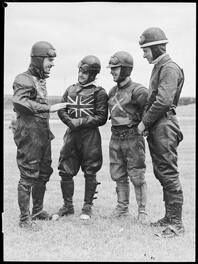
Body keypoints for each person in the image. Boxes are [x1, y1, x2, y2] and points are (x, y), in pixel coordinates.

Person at [12, 41, 67, 229]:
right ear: (38, 60)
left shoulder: (41, 80)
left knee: (44, 173)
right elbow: (19, 102)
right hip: (29, 136)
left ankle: (37, 210)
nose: (52, 64)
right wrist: (49, 108)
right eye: (49, 60)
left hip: (43, 135)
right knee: (28, 176)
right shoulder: (23, 79)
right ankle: (24, 219)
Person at [138, 27, 185, 237]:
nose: (144, 54)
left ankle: (176, 225)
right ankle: (169, 217)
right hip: (159, 125)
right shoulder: (160, 66)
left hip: (164, 125)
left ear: (156, 48)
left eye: (146, 50)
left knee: (168, 173)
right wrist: (149, 124)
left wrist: (143, 122)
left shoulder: (169, 68)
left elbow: (164, 101)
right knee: (161, 172)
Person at [54, 55, 108, 220]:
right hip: (71, 135)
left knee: (90, 170)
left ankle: (87, 207)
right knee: (65, 170)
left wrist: (80, 122)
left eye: (85, 72)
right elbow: (62, 108)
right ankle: (67, 206)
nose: (81, 74)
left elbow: (101, 117)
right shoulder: (70, 89)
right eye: (80, 71)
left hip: (90, 136)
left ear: (93, 74)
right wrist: (70, 122)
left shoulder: (99, 92)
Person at [107, 51, 149, 224]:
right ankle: (122, 208)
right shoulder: (111, 91)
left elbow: (149, 109)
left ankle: (143, 211)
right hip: (115, 137)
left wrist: (144, 126)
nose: (111, 72)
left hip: (133, 137)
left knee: (137, 175)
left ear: (125, 69)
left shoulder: (138, 90)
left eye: (115, 68)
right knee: (118, 175)